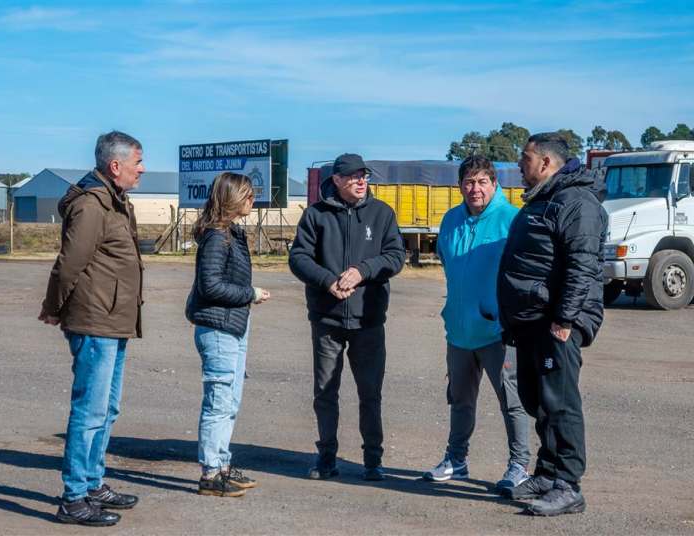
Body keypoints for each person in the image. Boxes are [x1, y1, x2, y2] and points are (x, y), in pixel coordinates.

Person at [497, 133, 607, 516]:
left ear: (546, 163)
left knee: (560, 403)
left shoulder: (577, 202)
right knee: (538, 399)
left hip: (556, 321)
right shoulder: (544, 199)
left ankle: (568, 485)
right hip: (531, 322)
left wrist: (564, 319)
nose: (519, 166)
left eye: (524, 159)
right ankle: (547, 471)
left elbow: (582, 265)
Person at [39, 131, 145, 527]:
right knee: (89, 410)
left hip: (114, 319)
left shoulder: (116, 201)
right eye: (138, 161)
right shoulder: (92, 205)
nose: (143, 168)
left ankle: (94, 484)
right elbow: (70, 262)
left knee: (107, 408)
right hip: (95, 319)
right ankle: (73, 497)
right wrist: (53, 307)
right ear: (115, 166)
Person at [289, 153, 405, 481]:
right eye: (353, 177)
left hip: (368, 320)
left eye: (364, 176)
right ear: (337, 180)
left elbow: (395, 256)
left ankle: (373, 460)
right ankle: (326, 457)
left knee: (370, 393)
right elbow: (298, 257)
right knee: (325, 391)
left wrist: (363, 271)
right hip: (327, 320)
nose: (360, 181)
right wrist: (327, 281)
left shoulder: (382, 214)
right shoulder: (316, 215)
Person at [422, 156, 530, 490]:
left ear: (495, 184)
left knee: (512, 401)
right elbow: (448, 267)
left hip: (498, 332)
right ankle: (456, 459)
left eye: (482, 181)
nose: (475, 189)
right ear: (460, 186)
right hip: (459, 331)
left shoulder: (512, 220)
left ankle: (519, 465)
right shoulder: (451, 220)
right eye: (469, 182)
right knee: (460, 400)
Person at [185, 172, 270, 497]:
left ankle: (221, 464)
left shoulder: (231, 234)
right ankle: (210, 473)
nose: (253, 201)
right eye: (247, 195)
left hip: (232, 325)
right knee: (219, 402)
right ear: (232, 198)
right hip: (218, 329)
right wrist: (250, 293)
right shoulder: (217, 237)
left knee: (230, 401)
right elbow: (211, 285)